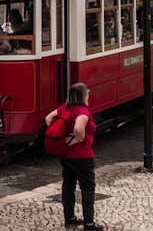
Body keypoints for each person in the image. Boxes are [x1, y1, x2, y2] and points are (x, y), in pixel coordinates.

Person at [44, 82, 103, 231]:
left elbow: (48, 119)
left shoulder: (65, 108)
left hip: (65, 155)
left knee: (68, 185)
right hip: (82, 156)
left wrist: (62, 137)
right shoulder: (82, 111)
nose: (88, 95)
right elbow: (78, 128)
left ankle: (69, 218)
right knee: (87, 188)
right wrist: (77, 139)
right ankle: (89, 224)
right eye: (87, 93)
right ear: (83, 95)